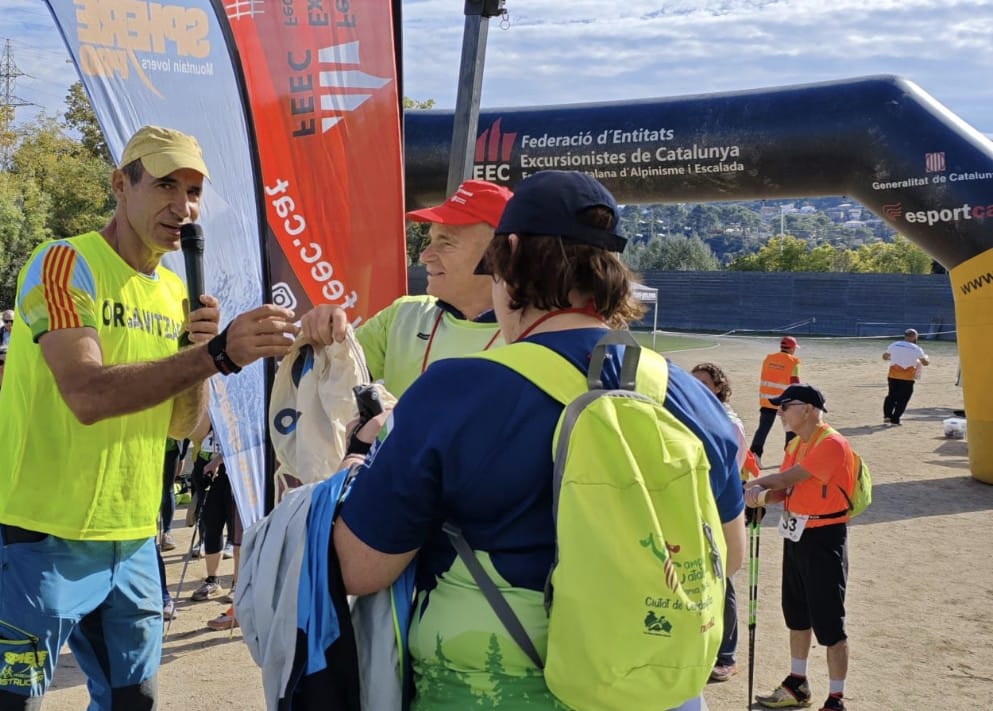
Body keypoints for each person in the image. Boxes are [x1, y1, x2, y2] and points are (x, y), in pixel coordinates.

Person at [333, 170, 745, 710]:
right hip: (654, 688)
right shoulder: (689, 395)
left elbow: (360, 568)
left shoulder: (457, 391)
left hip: (491, 689)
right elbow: (728, 555)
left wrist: (358, 460)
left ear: (509, 255)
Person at [0, 124, 297, 709]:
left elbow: (183, 426)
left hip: (133, 539)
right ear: (120, 184)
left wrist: (200, 358)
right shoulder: (64, 262)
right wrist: (215, 355)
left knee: (134, 702)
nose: (183, 207)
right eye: (165, 185)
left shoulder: (171, 292)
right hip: (42, 536)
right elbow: (87, 395)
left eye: (193, 192)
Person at [299, 179, 513, 397]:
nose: (425, 256)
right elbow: (324, 385)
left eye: (446, 242)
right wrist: (323, 334)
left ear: (498, 253)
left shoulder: (525, 338)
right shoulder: (402, 316)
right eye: (431, 240)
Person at [743, 384, 855, 711]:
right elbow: (784, 490)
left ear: (807, 409)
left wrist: (749, 485)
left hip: (824, 537)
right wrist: (760, 498)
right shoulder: (795, 444)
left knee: (830, 624)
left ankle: (836, 699)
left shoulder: (831, 443)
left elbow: (785, 478)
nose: (779, 412)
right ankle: (797, 682)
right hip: (796, 534)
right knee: (796, 615)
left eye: (785, 406)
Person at [691, 362, 754, 684]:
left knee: (723, 577)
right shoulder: (690, 414)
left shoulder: (729, 422)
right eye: (693, 381)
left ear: (719, 386)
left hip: (719, 509)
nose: (697, 386)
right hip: (694, 507)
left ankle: (726, 654)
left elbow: (728, 471)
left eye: (704, 382)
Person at [750, 336, 801, 466]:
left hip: (767, 399)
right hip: (784, 401)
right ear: (792, 348)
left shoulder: (769, 359)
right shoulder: (793, 362)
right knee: (791, 429)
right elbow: (795, 383)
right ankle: (790, 458)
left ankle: (755, 456)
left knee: (763, 429)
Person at [882, 328, 929, 425]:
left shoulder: (894, 344)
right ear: (914, 337)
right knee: (903, 399)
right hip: (907, 377)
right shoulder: (917, 348)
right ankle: (895, 419)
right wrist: (927, 359)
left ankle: (887, 415)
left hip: (893, 375)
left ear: (905, 336)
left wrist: (893, 357)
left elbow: (885, 357)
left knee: (891, 396)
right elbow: (925, 363)